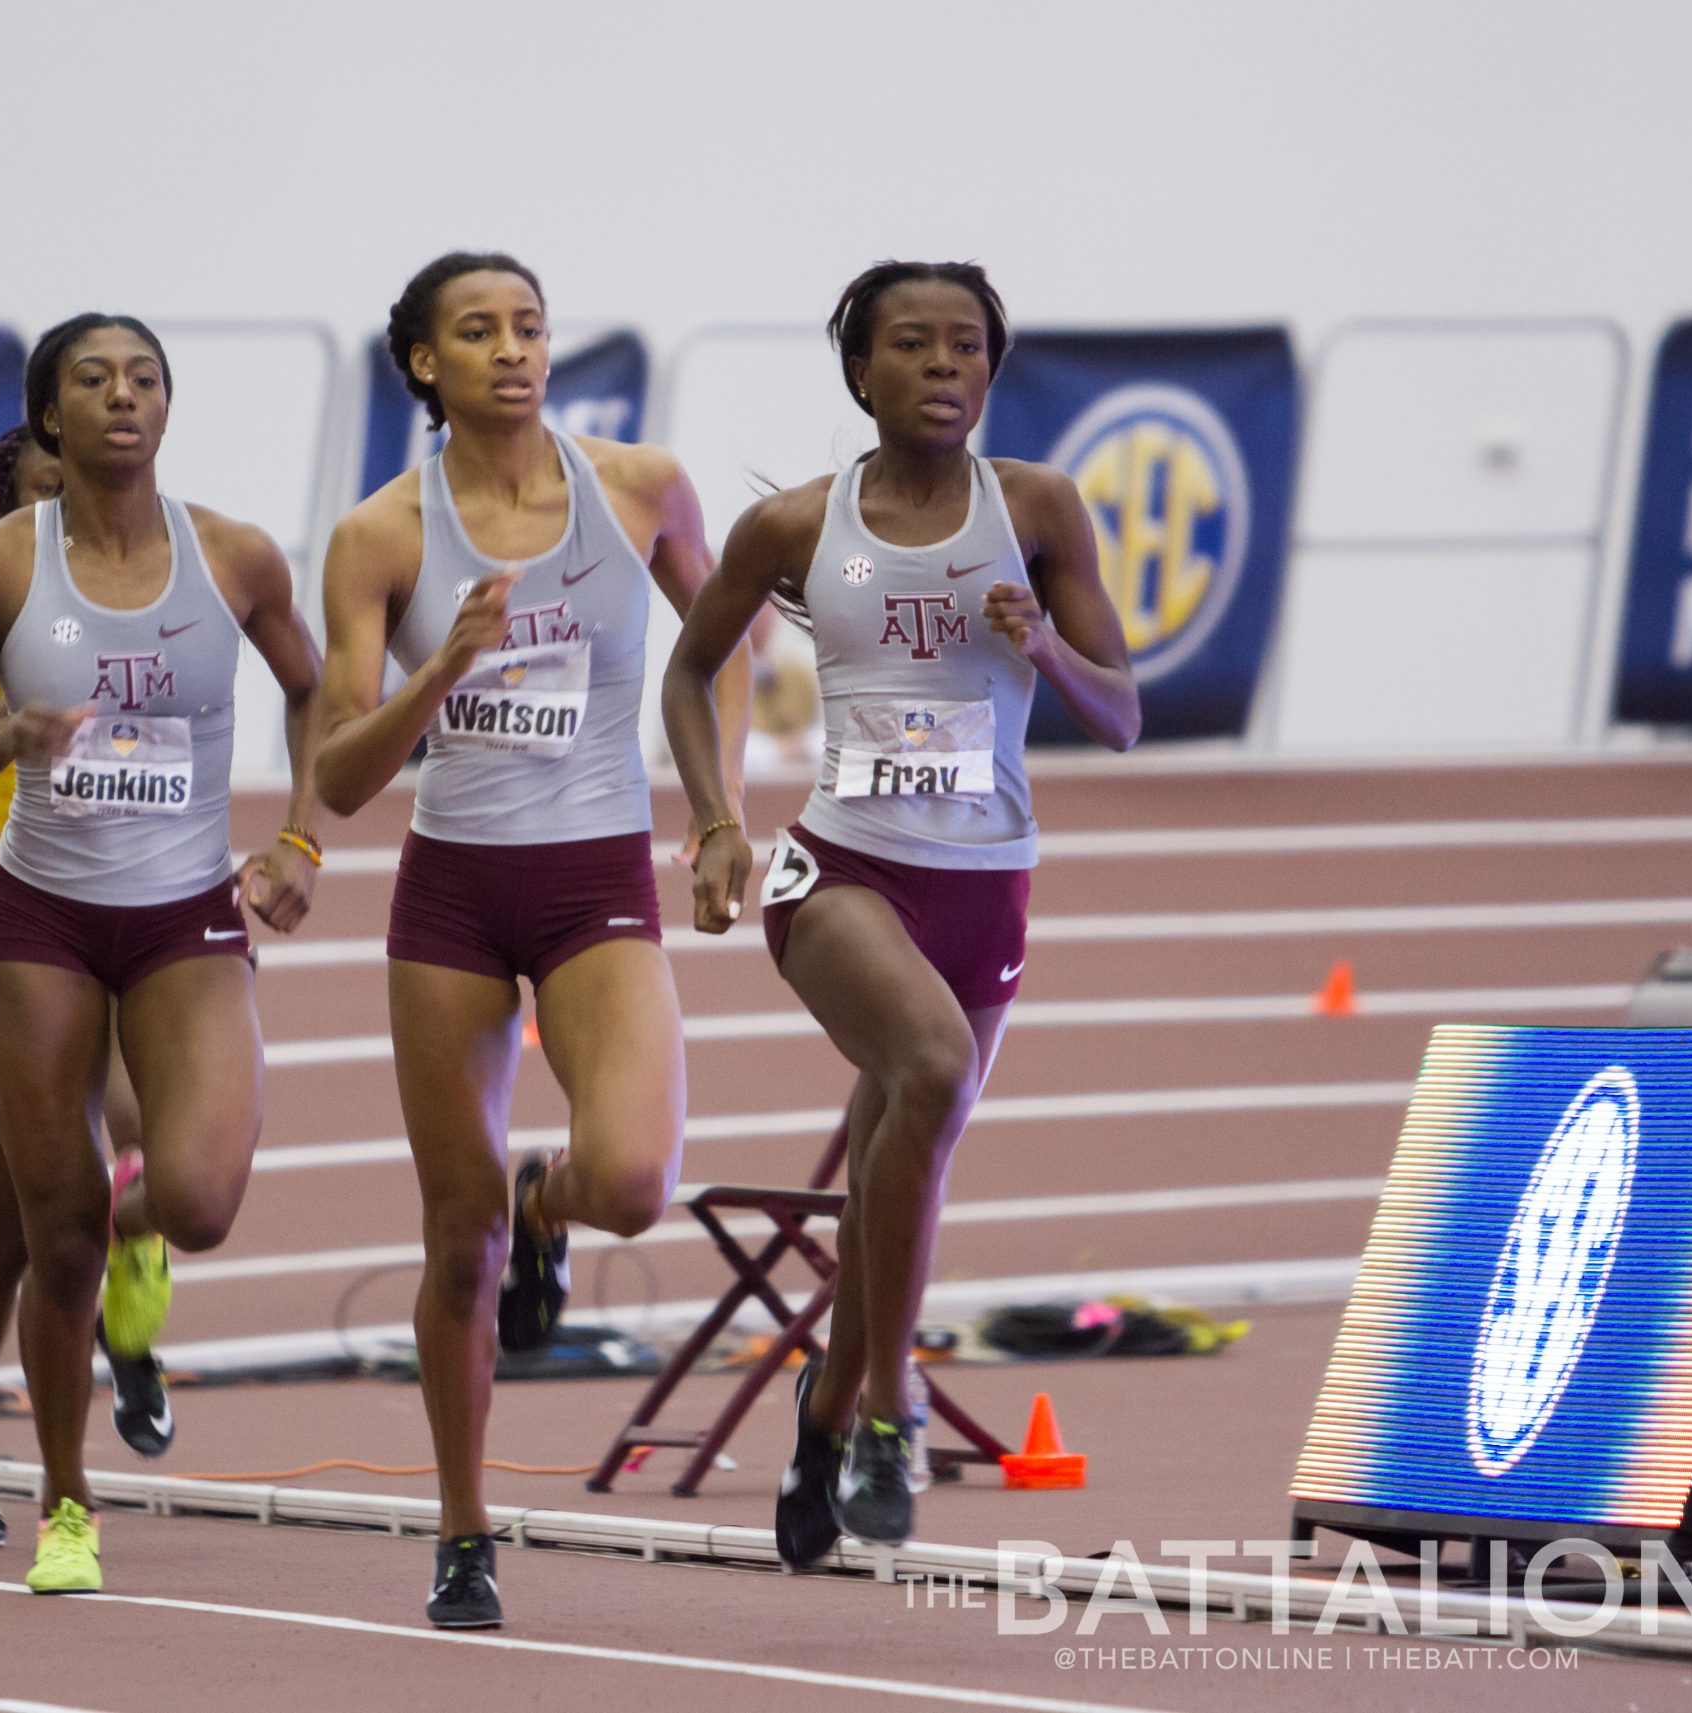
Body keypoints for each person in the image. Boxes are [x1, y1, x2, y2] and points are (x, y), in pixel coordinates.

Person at [662, 260, 1139, 1562]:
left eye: (968, 347)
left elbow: (1123, 714)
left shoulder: (1038, 509)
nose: (944, 368)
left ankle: (818, 1410)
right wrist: (714, 822)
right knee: (924, 1066)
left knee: (902, 1147)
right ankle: (887, 1406)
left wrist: (1043, 646)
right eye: (915, 347)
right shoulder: (798, 529)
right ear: (861, 371)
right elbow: (692, 668)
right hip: (842, 872)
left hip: (988, 883)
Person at [315, 251, 746, 1629]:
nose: (514, 349)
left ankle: (543, 1200)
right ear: (426, 363)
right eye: (479, 332)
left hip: (596, 878)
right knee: (456, 1244)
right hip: (451, 893)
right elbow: (335, 775)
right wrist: (439, 672)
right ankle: (463, 1528)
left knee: (632, 1177)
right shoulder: (382, 535)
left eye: (530, 326)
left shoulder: (641, 490)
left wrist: (720, 809)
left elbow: (720, 638)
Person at [0, 315, 324, 1594]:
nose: (123, 398)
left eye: (144, 377)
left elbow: (315, 691)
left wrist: (299, 834)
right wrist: (5, 742)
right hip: (39, 923)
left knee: (195, 1204)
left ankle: (12, 1387)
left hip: (186, 914)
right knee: (57, 1232)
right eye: (92, 381)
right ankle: (64, 1503)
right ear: (47, 418)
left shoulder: (237, 557)